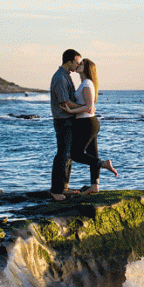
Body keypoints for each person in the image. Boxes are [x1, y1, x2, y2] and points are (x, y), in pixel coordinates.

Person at [61, 58, 117, 194]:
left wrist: (71, 111)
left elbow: (89, 107)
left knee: (75, 154)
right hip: (89, 122)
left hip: (87, 123)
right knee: (92, 154)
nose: (79, 65)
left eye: (81, 64)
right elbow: (90, 106)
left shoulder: (86, 83)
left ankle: (103, 164)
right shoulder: (85, 83)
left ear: (86, 69)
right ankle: (94, 186)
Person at [49, 49, 85, 201]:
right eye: (77, 62)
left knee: (68, 155)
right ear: (69, 62)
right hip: (63, 120)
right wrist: (85, 107)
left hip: (68, 119)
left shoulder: (66, 76)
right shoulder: (60, 78)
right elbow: (65, 102)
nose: (78, 65)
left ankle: (64, 187)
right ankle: (56, 190)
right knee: (62, 155)